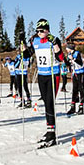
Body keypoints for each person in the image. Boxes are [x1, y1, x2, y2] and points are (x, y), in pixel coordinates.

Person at [21, 18, 65, 148]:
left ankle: (52, 134)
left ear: (47, 30)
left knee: (50, 102)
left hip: (53, 75)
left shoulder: (54, 40)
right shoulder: (35, 41)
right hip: (42, 75)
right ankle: (49, 130)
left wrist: (55, 44)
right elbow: (26, 55)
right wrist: (22, 43)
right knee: (46, 103)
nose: (39, 33)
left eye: (42, 30)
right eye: (38, 30)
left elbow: (61, 58)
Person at [65, 44, 84, 115]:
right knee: (74, 90)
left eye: (67, 48)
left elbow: (80, 63)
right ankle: (72, 107)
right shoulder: (69, 54)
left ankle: (81, 107)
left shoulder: (77, 53)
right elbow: (69, 63)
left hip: (81, 73)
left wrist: (73, 59)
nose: (66, 49)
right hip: (75, 73)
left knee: (81, 89)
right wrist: (65, 61)